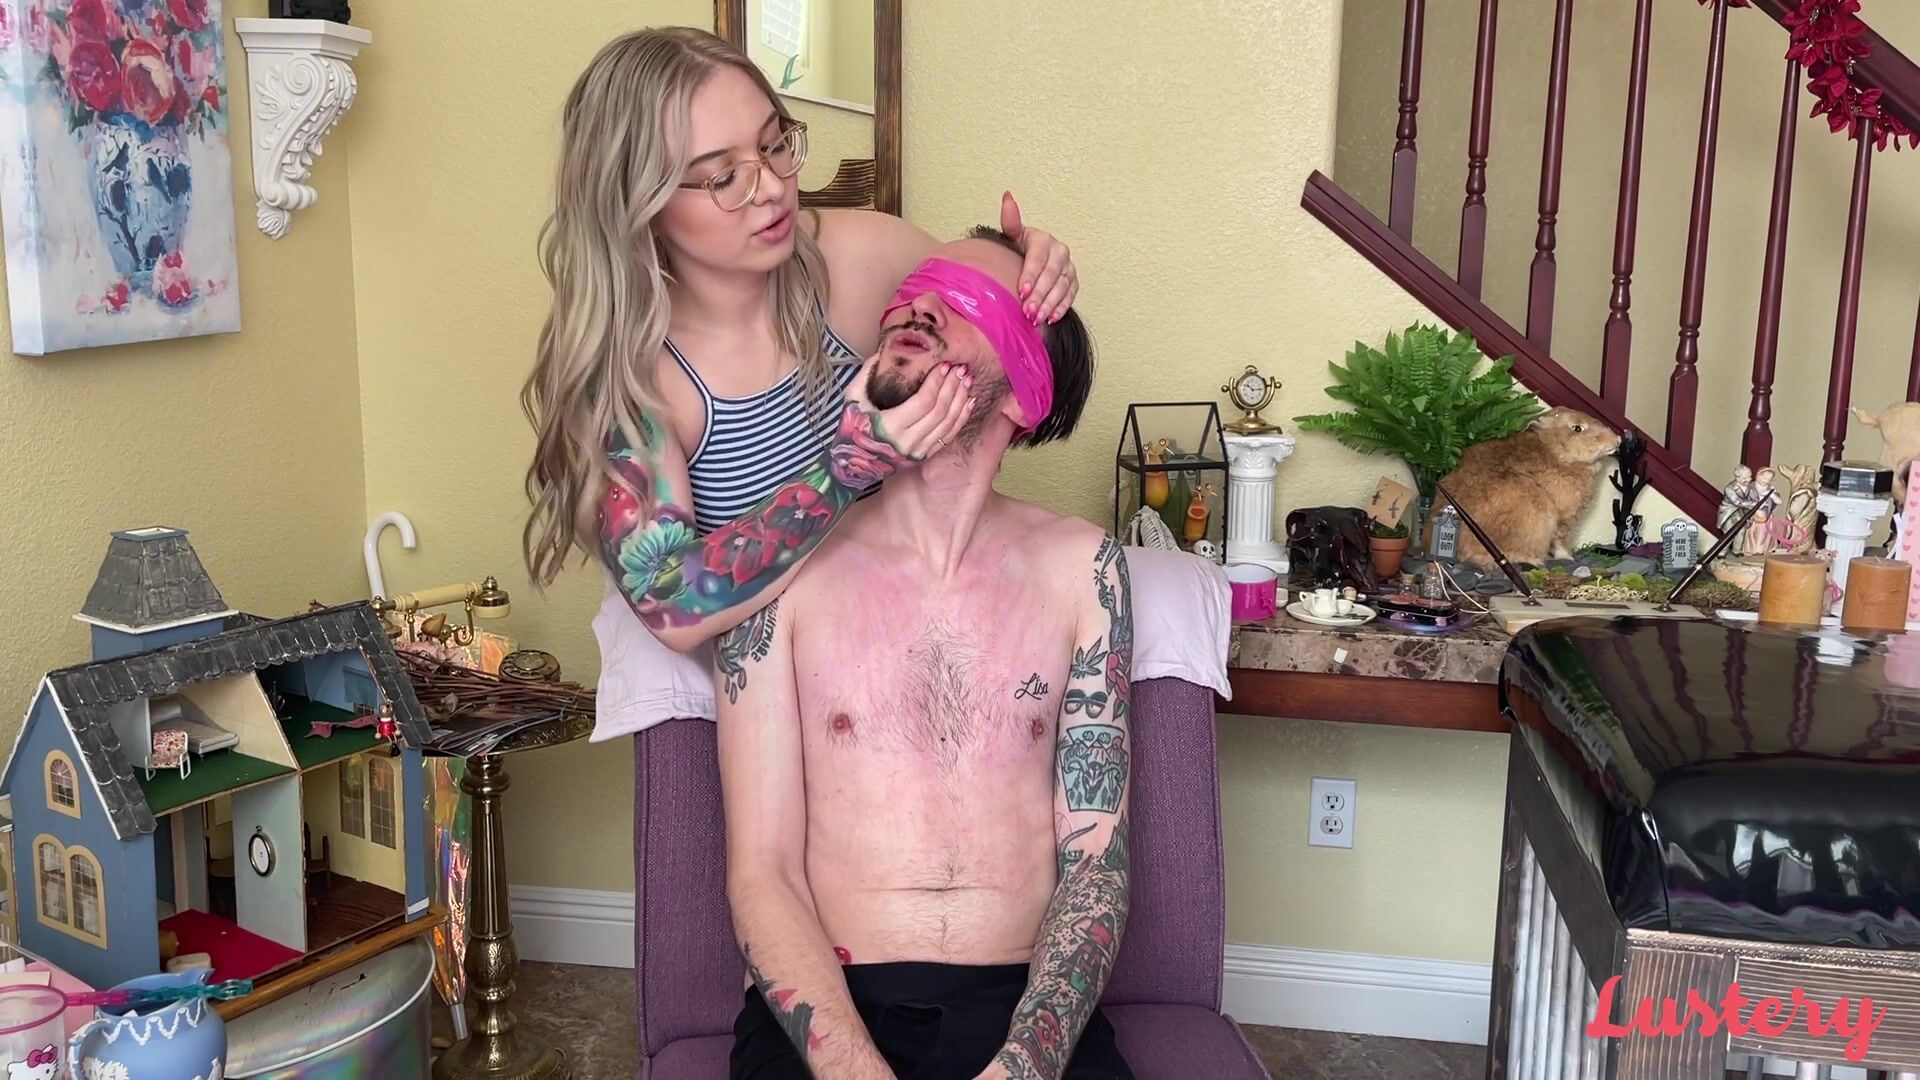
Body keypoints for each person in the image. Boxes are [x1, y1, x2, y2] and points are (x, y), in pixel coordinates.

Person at [518, 27, 1083, 734]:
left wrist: (1038, 267)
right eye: (723, 177)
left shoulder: (861, 257)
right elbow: (667, 601)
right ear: (641, 206)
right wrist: (845, 471)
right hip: (778, 711)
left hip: (916, 660)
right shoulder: (636, 386)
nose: (772, 188)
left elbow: (997, 333)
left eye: (775, 143)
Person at [716, 229, 1133, 1079]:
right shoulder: (780, 571)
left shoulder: (1083, 570)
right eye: (912, 293)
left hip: (1023, 1010)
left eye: (966, 300)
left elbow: (1095, 865)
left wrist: (1024, 1065)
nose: (920, 306)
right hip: (827, 1010)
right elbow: (762, 874)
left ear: (1027, 392)